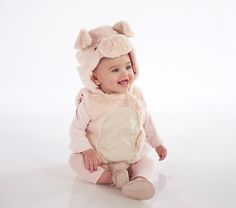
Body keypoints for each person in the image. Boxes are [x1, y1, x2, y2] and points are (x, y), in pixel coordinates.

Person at [69, 21, 167, 200]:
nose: (125, 73)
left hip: (130, 155)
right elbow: (76, 129)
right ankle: (112, 178)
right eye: (115, 70)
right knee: (75, 162)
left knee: (147, 161)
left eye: (128, 66)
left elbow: (146, 121)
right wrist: (87, 151)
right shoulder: (91, 102)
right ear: (95, 77)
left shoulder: (134, 95)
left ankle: (139, 179)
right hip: (100, 159)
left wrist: (157, 142)